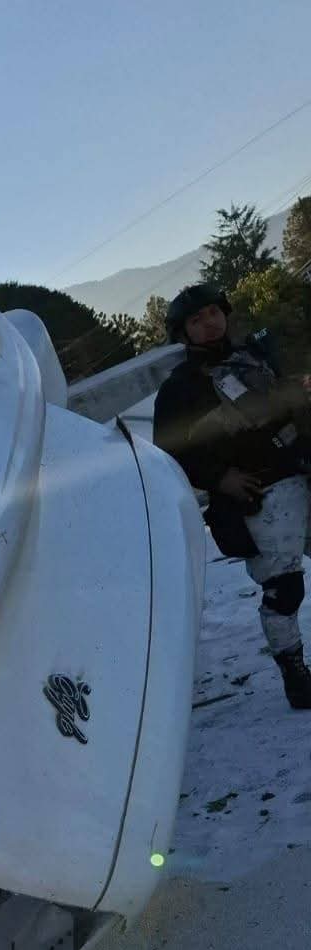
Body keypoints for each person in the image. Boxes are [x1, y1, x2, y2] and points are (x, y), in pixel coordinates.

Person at [153, 284, 311, 708]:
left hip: (300, 469)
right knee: (285, 590)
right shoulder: (180, 389)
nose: (209, 324)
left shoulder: (256, 355)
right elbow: (167, 454)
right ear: (182, 332)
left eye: (212, 313)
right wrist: (219, 478)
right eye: (196, 319)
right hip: (261, 495)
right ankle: (294, 672)